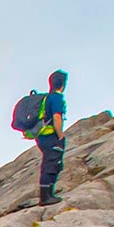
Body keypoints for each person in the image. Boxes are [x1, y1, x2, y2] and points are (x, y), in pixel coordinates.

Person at [34, 70, 68, 206]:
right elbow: (57, 117)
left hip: (41, 137)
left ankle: (47, 195)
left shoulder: (46, 98)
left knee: (48, 163)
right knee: (52, 164)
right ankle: (46, 197)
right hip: (50, 135)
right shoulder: (56, 98)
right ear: (63, 84)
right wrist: (60, 135)